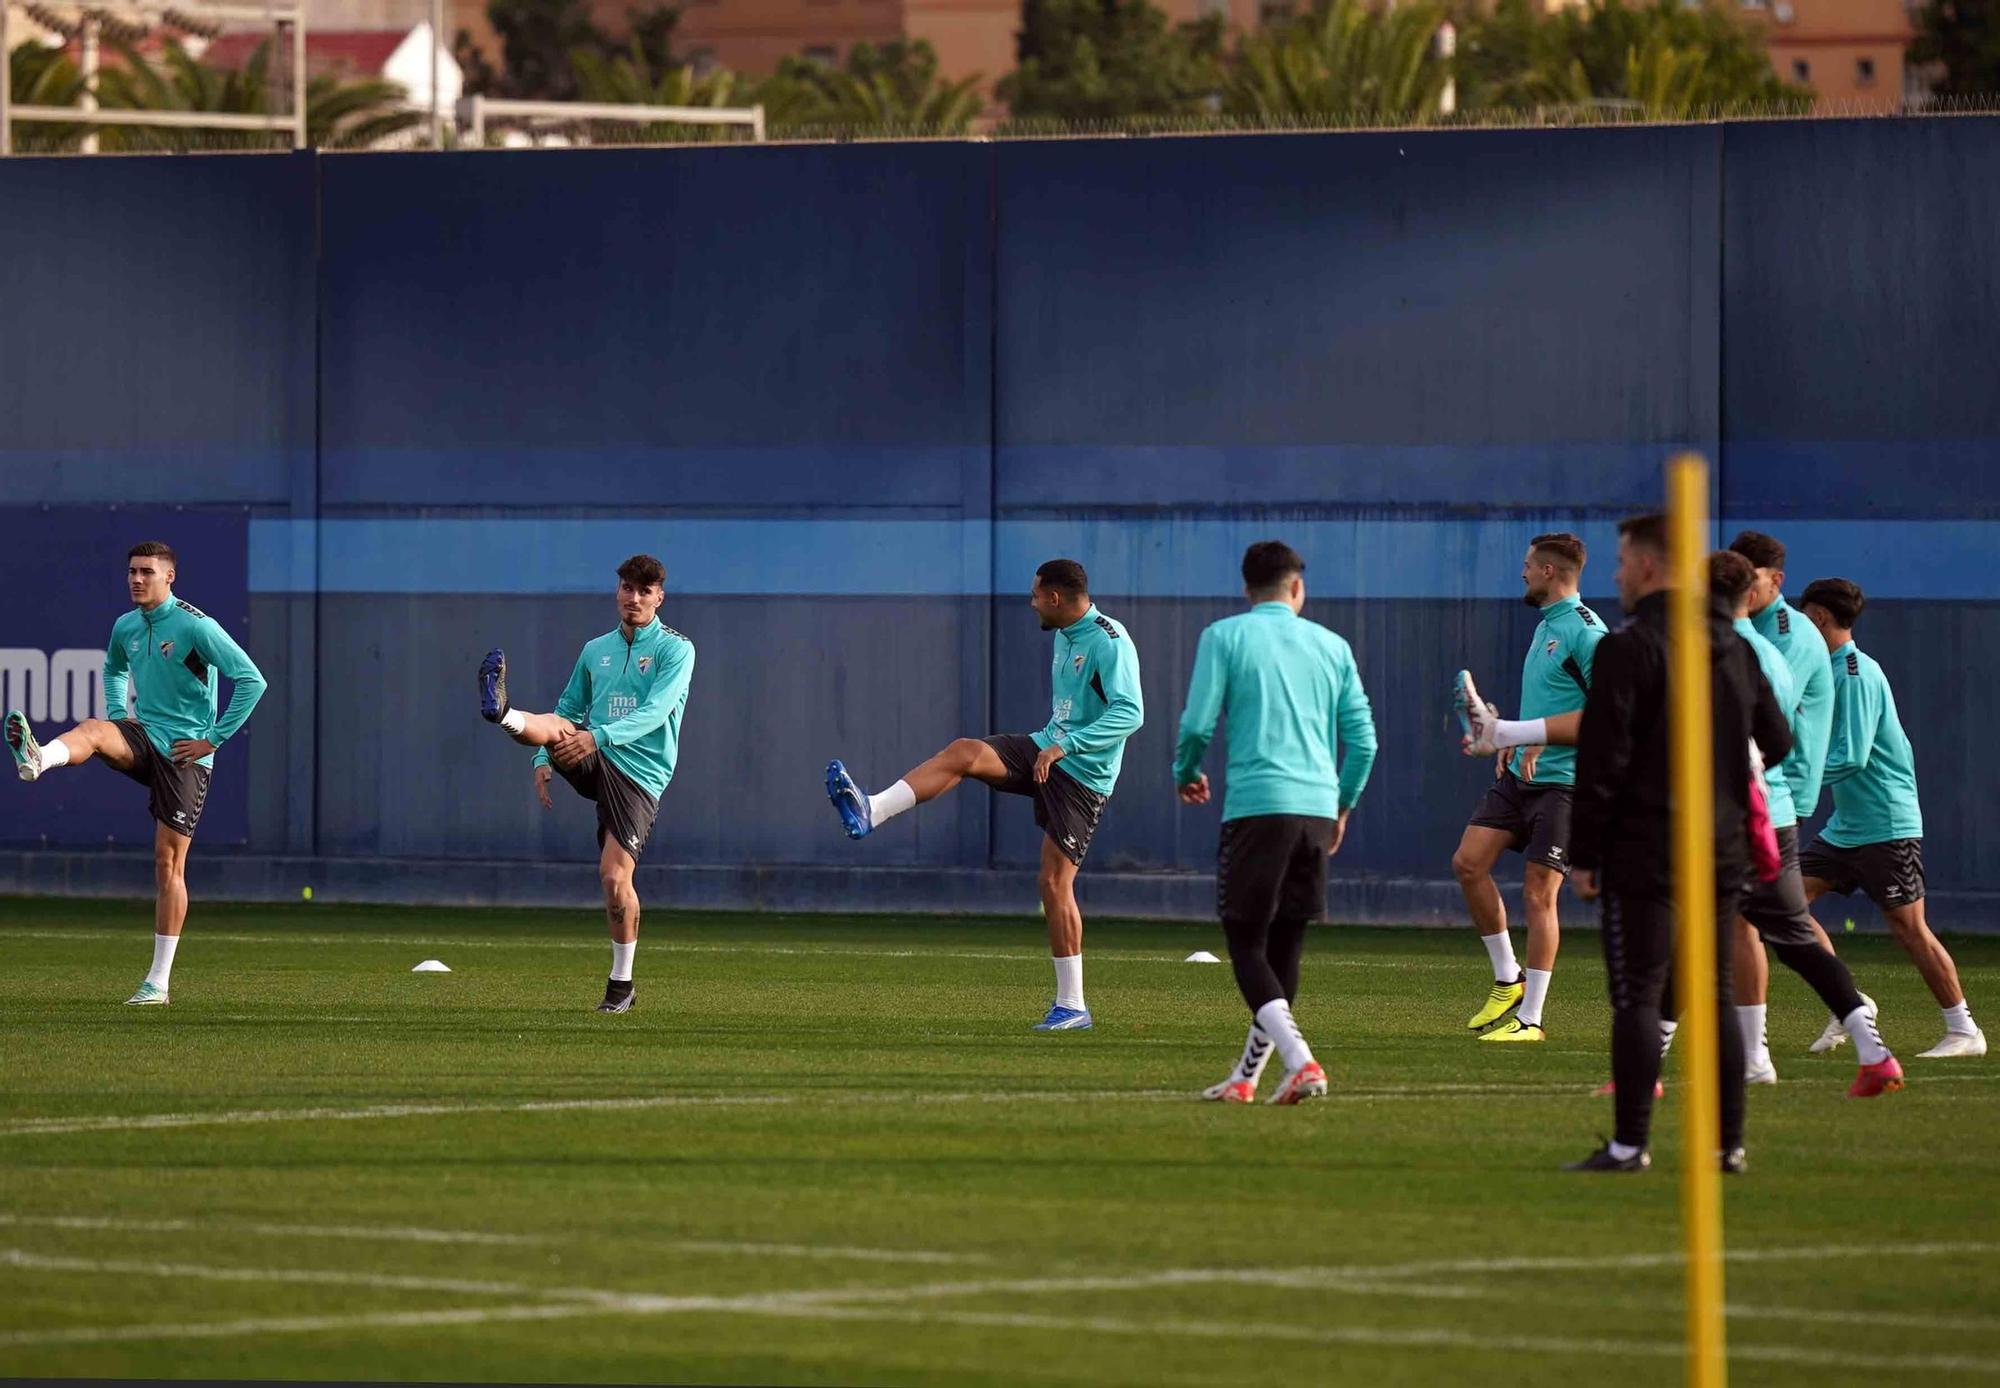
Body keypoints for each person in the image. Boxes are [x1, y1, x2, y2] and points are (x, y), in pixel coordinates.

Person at [1563, 514, 1792, 1174]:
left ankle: (1631, 1144)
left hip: (1647, 846)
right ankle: (1729, 1147)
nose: (1615, 573)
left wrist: (1584, 854)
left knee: (1639, 991)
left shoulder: (1629, 648)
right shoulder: (1733, 647)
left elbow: (1602, 761)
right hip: (1721, 848)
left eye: (1622, 560)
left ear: (1649, 566)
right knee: (1713, 990)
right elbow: (1776, 741)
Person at [827, 559, 1142, 1032]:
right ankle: (873, 810)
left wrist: (1066, 745)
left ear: (1056, 598)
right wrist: (1053, 743)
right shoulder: (1063, 635)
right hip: (1045, 749)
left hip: (1083, 776)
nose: (1031, 601)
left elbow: (1131, 713)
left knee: (1054, 885)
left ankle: (1073, 1006)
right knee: (966, 753)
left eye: (1037, 594)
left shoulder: (1108, 641)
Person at [5, 541, 267, 1005]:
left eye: (147, 571)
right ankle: (37, 758)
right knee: (94, 729)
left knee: (168, 864)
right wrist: (117, 714)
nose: (136, 579)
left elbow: (251, 679)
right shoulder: (126, 625)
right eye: (131, 571)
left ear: (170, 577)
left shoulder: (195, 625)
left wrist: (214, 739)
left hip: (187, 754)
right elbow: (113, 667)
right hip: (145, 736)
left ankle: (158, 983)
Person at [1173, 541, 1377, 1105]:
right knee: (1285, 945)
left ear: (1247, 589)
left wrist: (1185, 770)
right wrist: (1341, 805)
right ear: (1296, 588)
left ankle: (1302, 1061)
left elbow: (1195, 724)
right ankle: (1246, 1077)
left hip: (1258, 808)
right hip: (1315, 810)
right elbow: (1363, 740)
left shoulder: (1224, 636)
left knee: (1245, 940)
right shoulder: (1332, 645)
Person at [1710, 552, 1900, 1095]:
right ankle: (1867, 1051)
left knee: (1706, 932)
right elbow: (1776, 739)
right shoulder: (1764, 650)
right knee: (1784, 936)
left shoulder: (1745, 651)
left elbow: (1772, 741)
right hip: (1767, 815)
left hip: (1750, 820)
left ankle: (1653, 1068)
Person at [478, 554, 695, 1014]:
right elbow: (567, 710)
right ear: (617, 592)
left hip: (638, 773)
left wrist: (597, 735)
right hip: (593, 751)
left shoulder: (677, 650)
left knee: (615, 879)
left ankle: (622, 986)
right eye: (626, 588)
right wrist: (543, 756)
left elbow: (656, 712)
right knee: (557, 728)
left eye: (643, 591)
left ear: (660, 597)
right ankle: (503, 713)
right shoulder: (596, 648)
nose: (633, 598)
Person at [1796, 578, 1985, 1059]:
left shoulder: (1856, 673)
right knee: (1784, 904)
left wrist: (1795, 782)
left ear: (1818, 617)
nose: (1797, 625)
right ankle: (1849, 1004)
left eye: (1802, 617)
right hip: (1847, 826)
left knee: (1908, 930)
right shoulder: (1827, 670)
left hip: (1886, 823)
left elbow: (1854, 755)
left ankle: (1964, 1029)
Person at [1446, 533, 1607, 1043]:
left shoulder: (1587, 632)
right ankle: (1507, 978)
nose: (1521, 573)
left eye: (1527, 565)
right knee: (1468, 863)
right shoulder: (1546, 627)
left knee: (1540, 895)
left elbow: (1606, 717)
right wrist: (1518, 744)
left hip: (1565, 785)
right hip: (1521, 776)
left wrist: (1525, 734)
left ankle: (1531, 1019)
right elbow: (1552, 700)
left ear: (1549, 573)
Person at [1726, 531, 1858, 1059]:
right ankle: (1847, 1008)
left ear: (1774, 580)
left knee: (1753, 921)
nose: (1739, 588)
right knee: (1773, 919)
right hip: (1761, 785)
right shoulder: (1755, 628)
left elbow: (1764, 714)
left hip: (1777, 789)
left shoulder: (1787, 633)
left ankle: (1842, 1010)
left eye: (1748, 578)